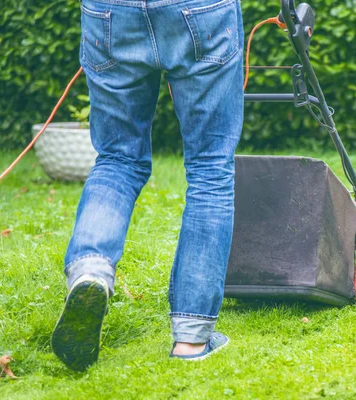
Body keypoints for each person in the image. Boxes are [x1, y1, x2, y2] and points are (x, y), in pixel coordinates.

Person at [50, 0, 244, 371]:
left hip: (110, 12)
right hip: (201, 11)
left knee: (117, 158)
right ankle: (190, 338)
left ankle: (91, 270)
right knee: (209, 167)